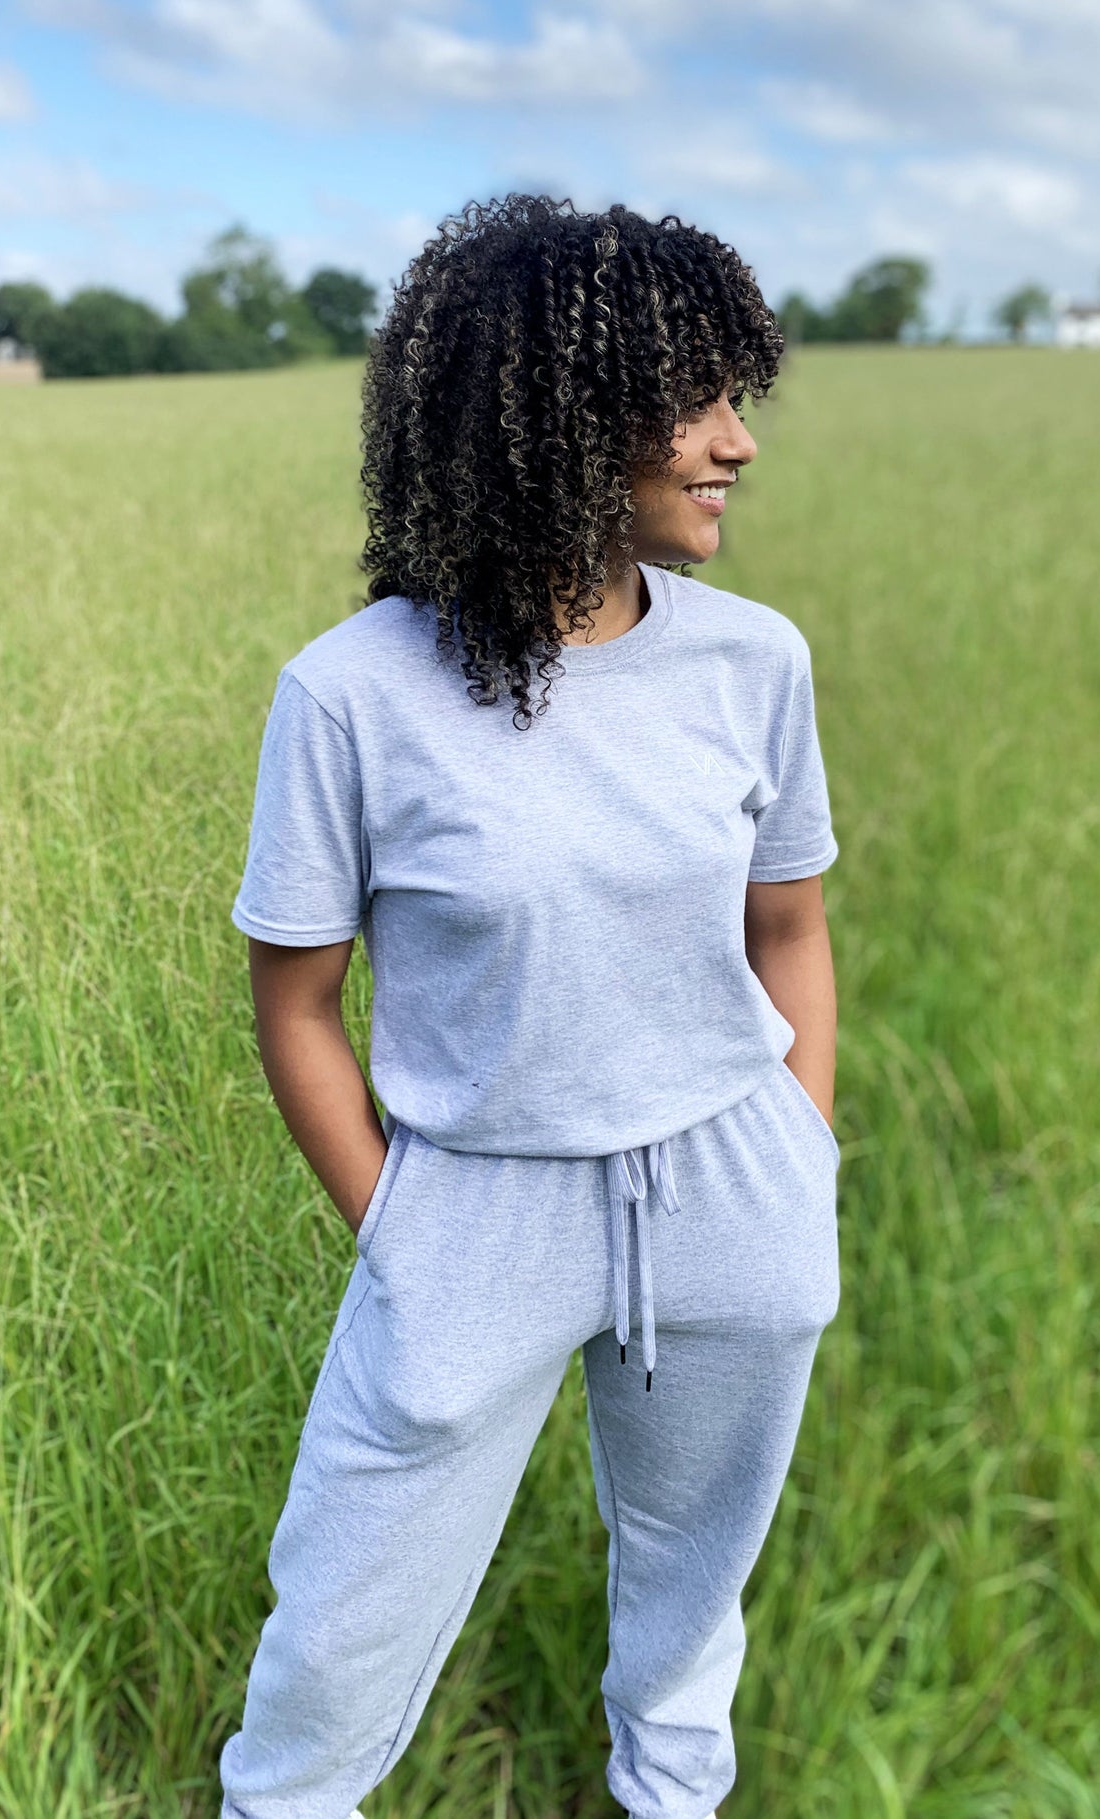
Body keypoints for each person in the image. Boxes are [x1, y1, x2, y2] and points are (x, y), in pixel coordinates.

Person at [219, 193, 841, 1819]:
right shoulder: (349, 694)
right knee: (337, 1637)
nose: (736, 444)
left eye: (738, 398)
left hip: (727, 1187)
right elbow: (297, 1004)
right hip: (475, 1208)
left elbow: (789, 923)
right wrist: (402, 1231)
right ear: (553, 420)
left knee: (690, 1608)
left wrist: (800, 1147)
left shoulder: (752, 662)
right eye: (697, 402)